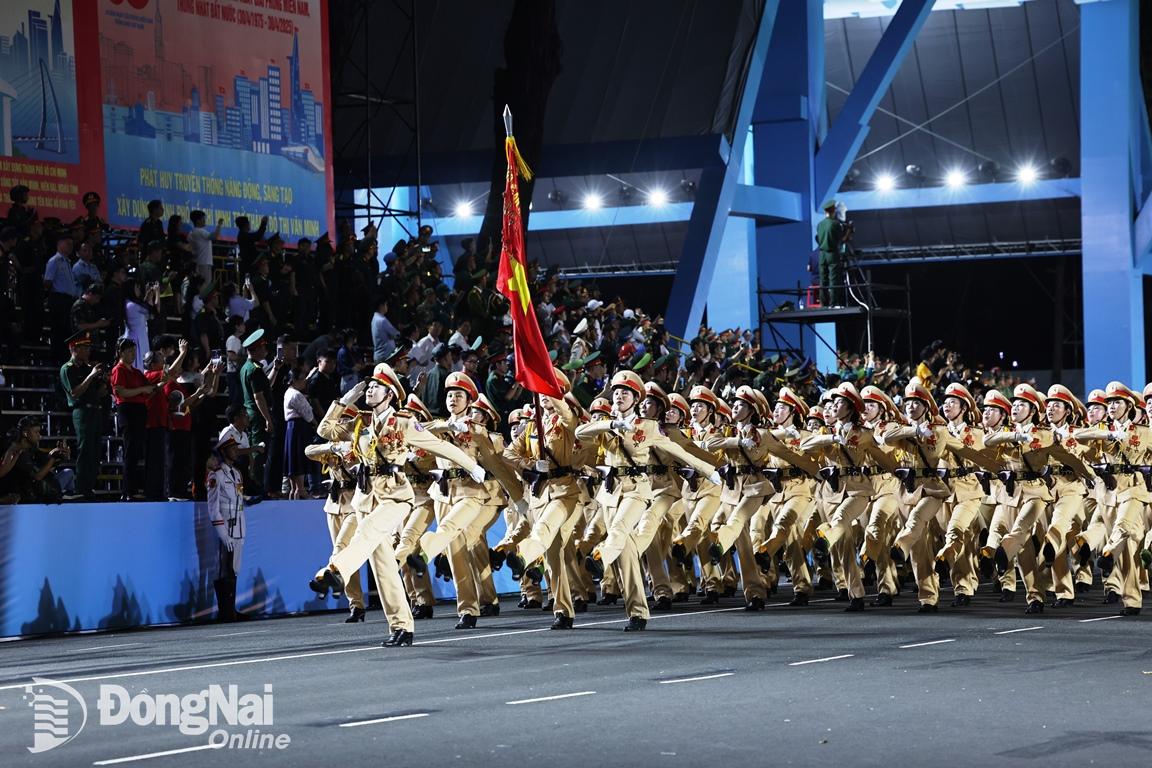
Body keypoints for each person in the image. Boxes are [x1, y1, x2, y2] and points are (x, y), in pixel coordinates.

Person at [309, 363, 486, 647]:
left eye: (376, 387)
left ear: (390, 394)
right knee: (384, 568)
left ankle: (336, 570)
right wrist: (345, 400)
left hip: (395, 496)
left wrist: (472, 466)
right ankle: (402, 627)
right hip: (366, 498)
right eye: (368, 387)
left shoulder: (403, 423)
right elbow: (324, 429)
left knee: (366, 531)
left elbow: (438, 445)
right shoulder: (361, 423)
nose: (369, 390)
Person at [59, 331, 107, 500]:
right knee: (85, 450)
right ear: (74, 349)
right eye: (84, 348)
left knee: (95, 451)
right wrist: (91, 375)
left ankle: (89, 487)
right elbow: (74, 392)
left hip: (95, 411)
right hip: (82, 412)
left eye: (88, 348)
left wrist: (103, 380)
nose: (88, 351)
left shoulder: (87, 368)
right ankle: (81, 488)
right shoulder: (68, 368)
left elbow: (100, 393)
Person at [109, 339, 157, 501]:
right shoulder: (119, 370)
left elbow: (149, 390)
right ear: (121, 352)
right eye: (129, 351)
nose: (133, 354)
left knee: (136, 453)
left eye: (134, 351)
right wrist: (143, 389)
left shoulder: (136, 372)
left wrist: (154, 387)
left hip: (139, 411)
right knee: (130, 452)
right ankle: (128, 490)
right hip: (128, 411)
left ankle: (134, 488)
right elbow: (121, 392)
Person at [207, 434, 247, 622]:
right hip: (227, 526)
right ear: (224, 451)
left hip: (239, 525)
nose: (236, 451)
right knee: (225, 569)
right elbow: (213, 509)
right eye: (232, 448)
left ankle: (231, 609)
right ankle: (225, 611)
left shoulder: (237, 474)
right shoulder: (217, 475)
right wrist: (223, 534)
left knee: (235, 569)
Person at [0, 417, 71, 504]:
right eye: (36, 432)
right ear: (25, 433)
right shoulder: (19, 452)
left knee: (68, 472)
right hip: (28, 496)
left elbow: (45, 460)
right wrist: (53, 458)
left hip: (36, 491)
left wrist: (61, 455)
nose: (39, 436)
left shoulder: (30, 448)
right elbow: (38, 476)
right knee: (67, 475)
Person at [239, 329, 274, 497]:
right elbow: (258, 397)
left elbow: (265, 386)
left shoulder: (247, 367)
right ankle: (256, 485)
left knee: (257, 450)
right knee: (258, 451)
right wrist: (268, 419)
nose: (265, 350)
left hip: (251, 413)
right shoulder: (255, 370)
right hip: (258, 415)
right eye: (262, 347)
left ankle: (255, 484)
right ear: (256, 349)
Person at [283, 365, 316, 500]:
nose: (304, 382)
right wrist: (315, 423)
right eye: (302, 379)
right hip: (298, 427)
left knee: (293, 458)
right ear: (294, 380)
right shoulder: (296, 394)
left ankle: (295, 489)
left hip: (292, 427)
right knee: (298, 457)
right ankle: (300, 489)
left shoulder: (288, 392)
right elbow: (308, 414)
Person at [43, 234, 79, 358]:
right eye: (68, 244)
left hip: (68, 300)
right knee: (58, 329)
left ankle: (63, 355)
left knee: (67, 329)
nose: (70, 247)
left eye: (72, 244)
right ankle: (56, 356)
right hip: (59, 298)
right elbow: (48, 281)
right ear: (59, 244)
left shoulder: (68, 262)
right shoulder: (55, 261)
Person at [815, 200, 846, 307]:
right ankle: (833, 303)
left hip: (822, 254)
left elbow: (818, 238)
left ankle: (823, 304)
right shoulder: (835, 224)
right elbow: (841, 239)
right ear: (833, 210)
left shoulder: (820, 225)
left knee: (823, 280)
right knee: (833, 279)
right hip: (832, 254)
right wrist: (848, 233)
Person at [188, 210, 223, 283]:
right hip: (205, 262)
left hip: (199, 261)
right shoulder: (200, 231)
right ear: (198, 221)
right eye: (203, 219)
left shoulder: (191, 233)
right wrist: (219, 225)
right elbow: (214, 236)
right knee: (206, 284)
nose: (204, 221)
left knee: (200, 283)